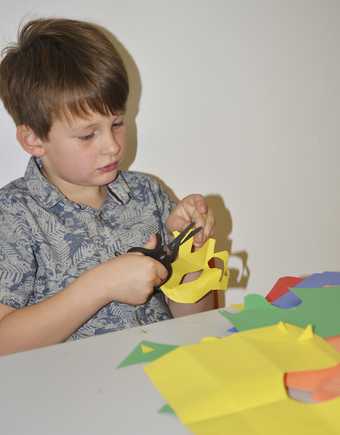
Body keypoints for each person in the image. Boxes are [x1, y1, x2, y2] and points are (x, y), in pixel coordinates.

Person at [0, 18, 215, 356]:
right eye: (88, 135)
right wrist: (102, 285)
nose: (112, 146)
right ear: (33, 138)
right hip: (71, 396)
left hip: (166, 377)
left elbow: (193, 322)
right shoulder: (13, 215)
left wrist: (190, 252)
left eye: (117, 123)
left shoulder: (148, 194)